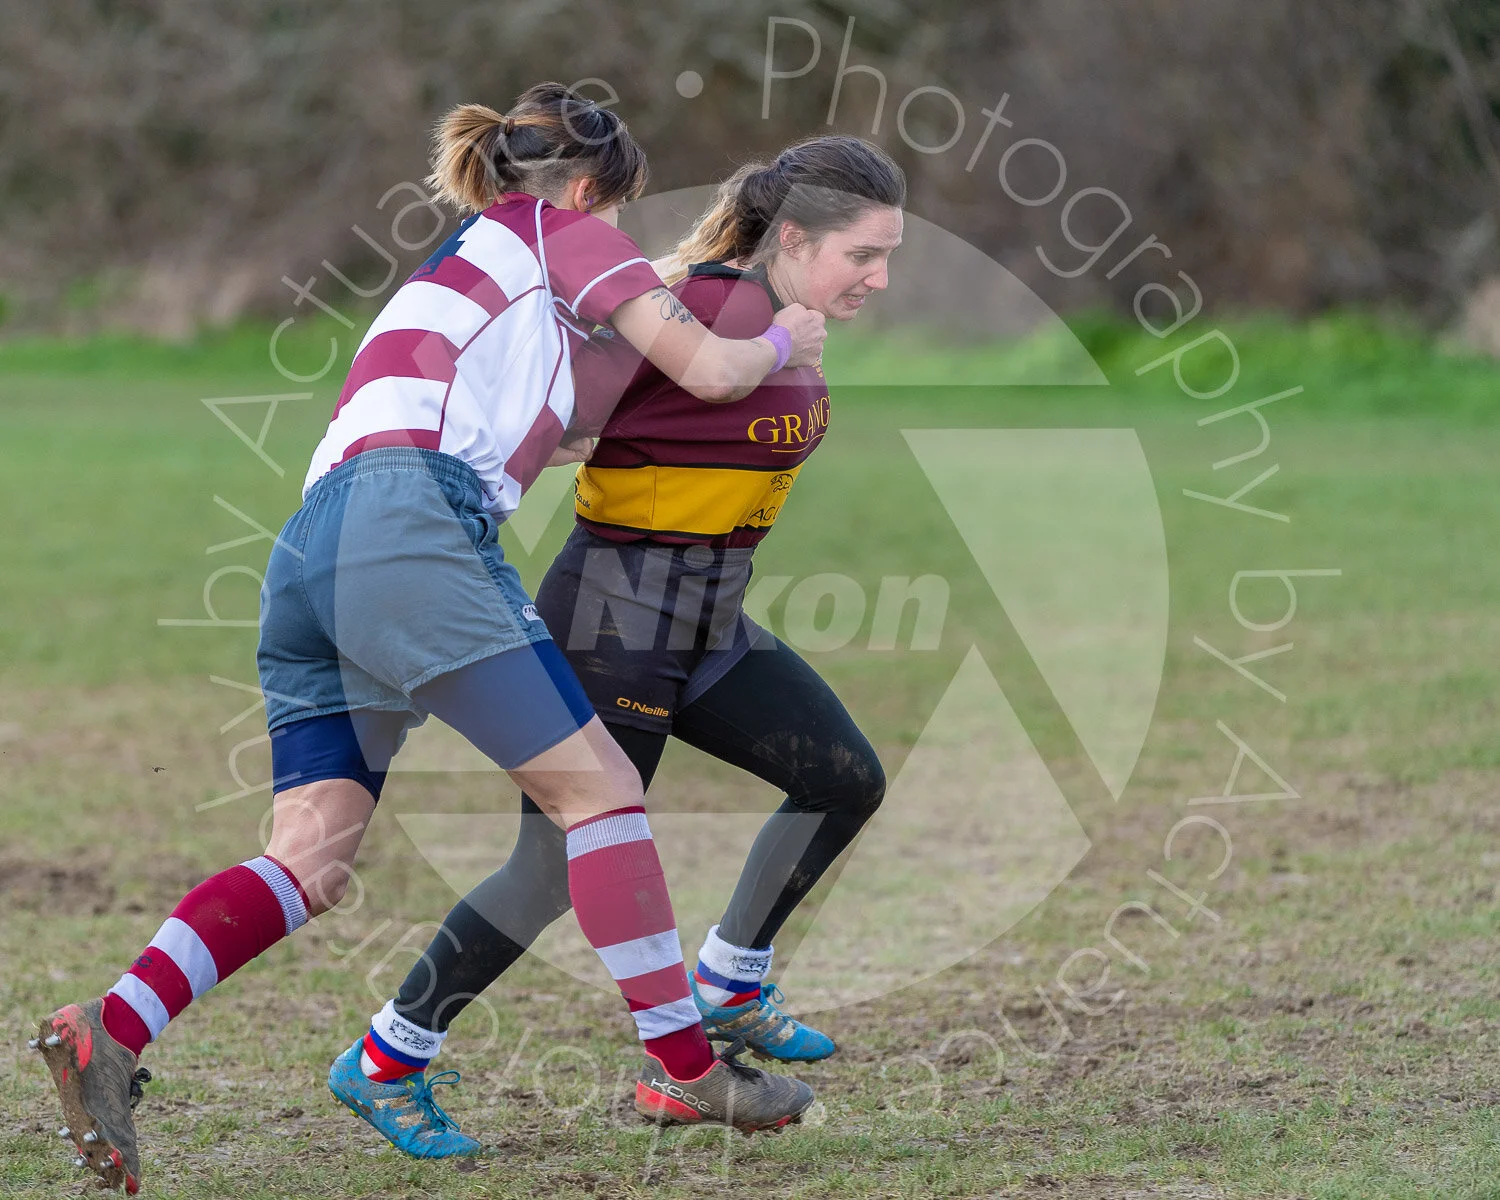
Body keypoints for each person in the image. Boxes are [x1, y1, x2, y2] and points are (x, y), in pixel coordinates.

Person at [30, 82, 830, 1194]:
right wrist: (785, 333)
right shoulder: (558, 228)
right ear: (592, 192)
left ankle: (110, 1031)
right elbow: (704, 368)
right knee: (597, 791)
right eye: (621, 219)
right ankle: (687, 1070)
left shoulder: (480, 283)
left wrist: (721, 329)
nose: (624, 254)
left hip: (315, 549)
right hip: (413, 524)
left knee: (308, 856)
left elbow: (602, 407)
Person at [335, 134, 906, 1157]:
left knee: (842, 777)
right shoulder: (701, 315)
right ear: (799, 238)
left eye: (886, 255)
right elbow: (548, 412)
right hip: (616, 619)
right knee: (552, 864)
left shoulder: (777, 321)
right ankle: (388, 1056)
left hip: (710, 623)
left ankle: (729, 986)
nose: (879, 276)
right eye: (862, 254)